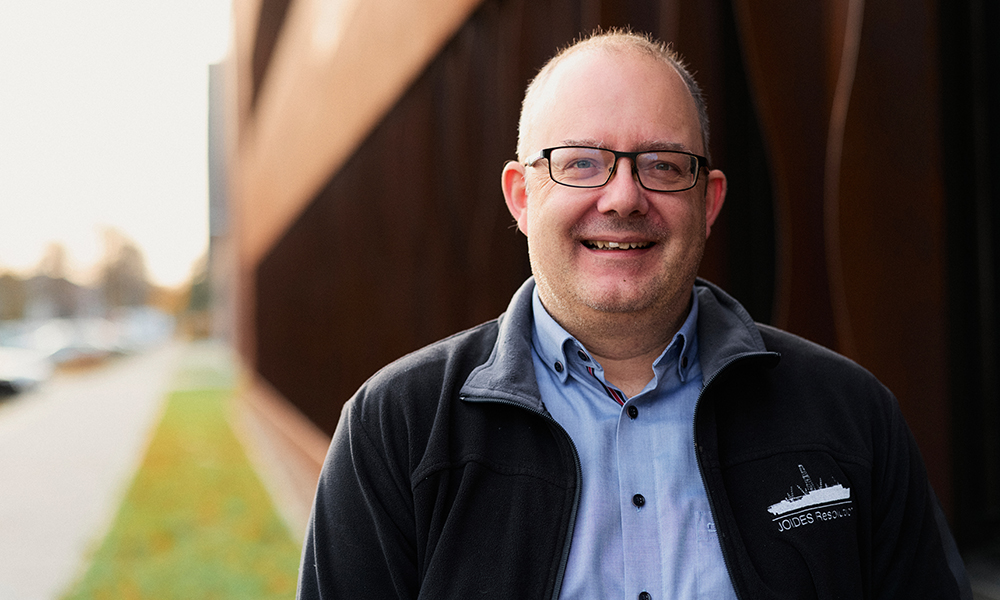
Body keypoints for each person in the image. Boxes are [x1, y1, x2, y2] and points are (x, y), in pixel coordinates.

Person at [297, 29, 971, 599]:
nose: (623, 197)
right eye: (581, 163)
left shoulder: (849, 416)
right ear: (521, 196)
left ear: (707, 203)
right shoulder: (397, 430)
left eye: (662, 164)